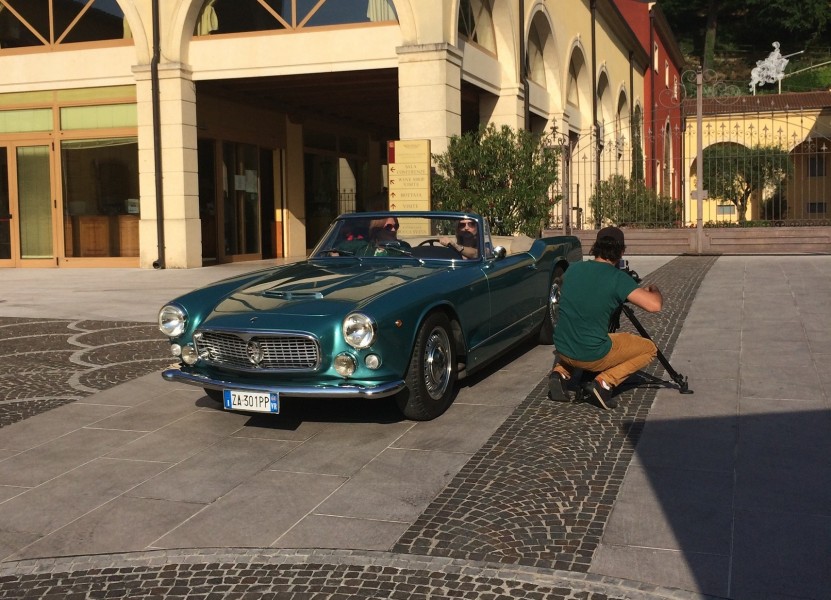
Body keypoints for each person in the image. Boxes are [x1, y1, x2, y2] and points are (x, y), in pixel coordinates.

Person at [549, 226, 663, 410]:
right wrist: (653, 289)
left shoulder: (573, 269)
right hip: (591, 354)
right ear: (622, 251)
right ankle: (604, 383)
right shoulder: (617, 278)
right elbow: (654, 305)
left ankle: (560, 373)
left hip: (563, 348)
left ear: (596, 247)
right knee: (649, 349)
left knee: (581, 333)